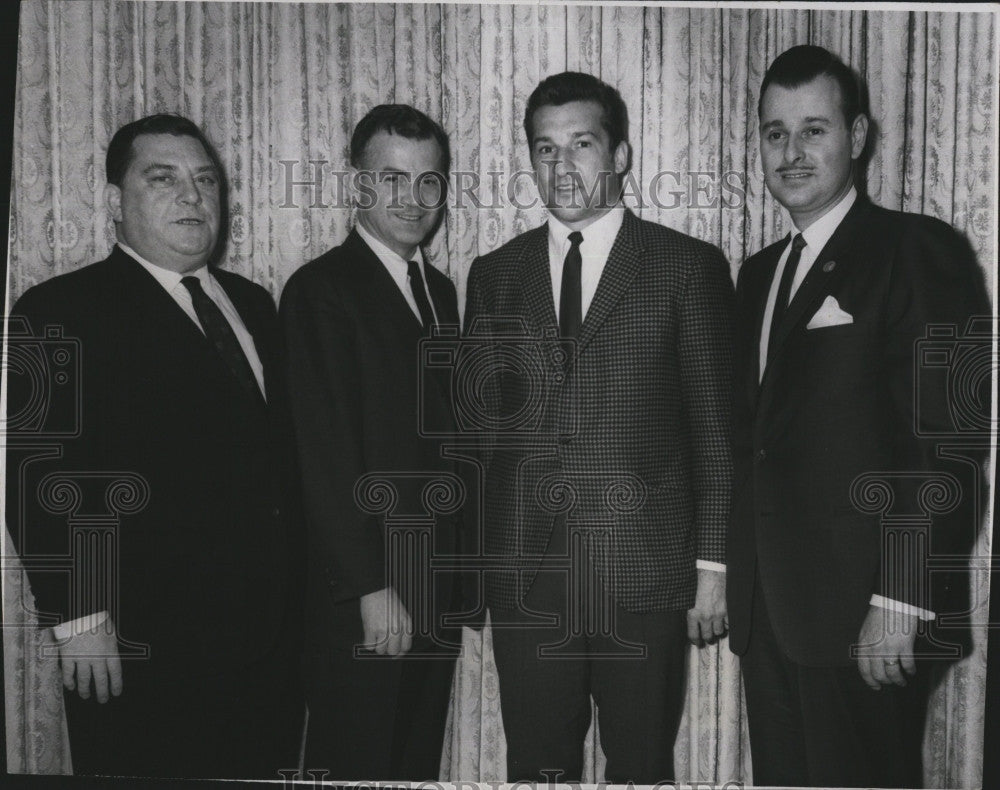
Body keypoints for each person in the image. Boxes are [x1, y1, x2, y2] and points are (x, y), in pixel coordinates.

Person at [4, 114, 304, 777]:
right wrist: (79, 616)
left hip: (267, 650)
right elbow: (36, 474)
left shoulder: (253, 304)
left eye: (205, 181)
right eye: (162, 179)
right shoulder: (59, 310)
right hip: (141, 647)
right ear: (114, 201)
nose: (192, 197)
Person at [726, 45, 989, 788]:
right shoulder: (756, 276)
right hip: (772, 613)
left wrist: (900, 595)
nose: (792, 151)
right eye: (776, 133)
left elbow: (948, 444)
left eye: (814, 129)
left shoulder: (917, 250)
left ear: (860, 134)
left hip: (867, 614)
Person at [462, 71, 734, 783]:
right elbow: (480, 442)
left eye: (581, 143)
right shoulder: (494, 274)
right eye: (545, 148)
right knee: (537, 769)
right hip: (528, 574)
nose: (563, 165)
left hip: (644, 570)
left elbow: (714, 431)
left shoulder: (687, 268)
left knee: (641, 766)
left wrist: (713, 569)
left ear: (619, 155)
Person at [280, 104, 462, 780]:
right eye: (391, 179)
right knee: (357, 762)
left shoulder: (438, 290)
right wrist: (369, 585)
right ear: (357, 185)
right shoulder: (321, 291)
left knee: (412, 764)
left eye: (428, 181)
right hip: (367, 594)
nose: (413, 199)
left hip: (433, 583)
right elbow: (325, 456)